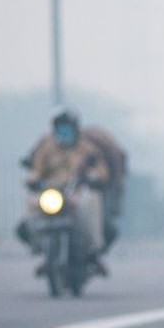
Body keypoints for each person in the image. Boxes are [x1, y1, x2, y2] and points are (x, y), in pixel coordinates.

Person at [24, 106, 109, 270]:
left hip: (77, 191)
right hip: (52, 191)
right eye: (61, 128)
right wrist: (33, 179)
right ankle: (37, 244)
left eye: (68, 128)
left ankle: (92, 247)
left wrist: (94, 177)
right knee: (31, 205)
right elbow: (37, 170)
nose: (64, 132)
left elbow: (99, 168)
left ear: (75, 129)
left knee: (90, 203)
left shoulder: (86, 148)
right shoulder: (47, 147)